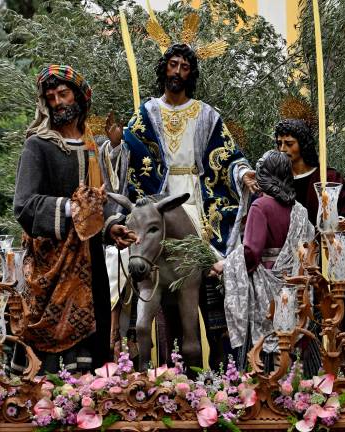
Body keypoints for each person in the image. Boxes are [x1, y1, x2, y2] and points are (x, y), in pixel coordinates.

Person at [104, 43, 257, 364]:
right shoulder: (147, 112)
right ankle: (142, 353)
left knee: (211, 274)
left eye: (184, 67)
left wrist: (243, 174)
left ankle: (221, 355)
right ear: (164, 69)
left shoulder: (206, 115)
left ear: (191, 74)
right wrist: (117, 144)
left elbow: (227, 156)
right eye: (173, 65)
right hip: (161, 199)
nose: (177, 72)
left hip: (197, 200)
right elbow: (128, 159)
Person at [13, 65, 136, 372]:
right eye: (51, 96)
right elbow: (24, 206)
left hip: (90, 264)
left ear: (79, 98)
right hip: (52, 265)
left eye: (63, 94)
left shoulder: (92, 146)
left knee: (92, 354)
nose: (57, 102)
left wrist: (111, 226)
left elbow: (99, 200)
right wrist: (72, 208)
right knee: (52, 359)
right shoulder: (37, 146)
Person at [220, 150, 314, 370]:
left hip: (265, 285)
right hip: (294, 284)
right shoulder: (299, 210)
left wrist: (225, 264)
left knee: (264, 346)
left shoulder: (260, 206)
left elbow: (251, 252)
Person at [273, 118, 345, 228]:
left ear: (302, 144)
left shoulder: (328, 177)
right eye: (280, 143)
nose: (283, 149)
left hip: (322, 242)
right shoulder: (277, 179)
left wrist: (336, 221)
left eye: (289, 143)